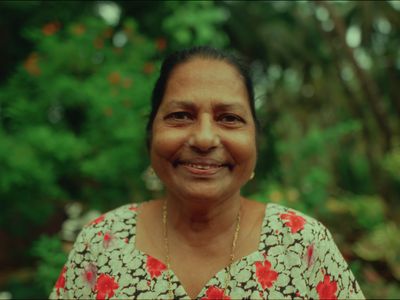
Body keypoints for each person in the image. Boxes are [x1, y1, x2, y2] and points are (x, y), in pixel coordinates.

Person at [50, 46, 364, 299]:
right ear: (150, 135)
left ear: (255, 140)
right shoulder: (102, 243)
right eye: (180, 115)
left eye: (228, 118)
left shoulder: (303, 244)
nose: (203, 138)